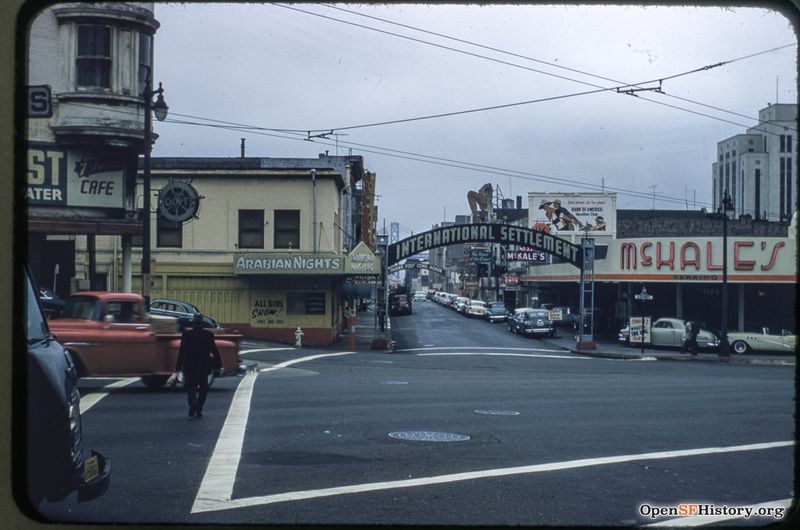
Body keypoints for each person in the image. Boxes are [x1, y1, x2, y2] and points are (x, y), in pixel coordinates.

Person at [176, 313, 222, 418]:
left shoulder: (186, 335)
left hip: (189, 365)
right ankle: (199, 407)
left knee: (190, 386)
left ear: (192, 324)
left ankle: (193, 403)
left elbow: (181, 352)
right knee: (203, 388)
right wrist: (219, 365)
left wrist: (178, 366)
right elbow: (214, 351)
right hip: (204, 365)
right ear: (202, 324)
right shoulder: (208, 335)